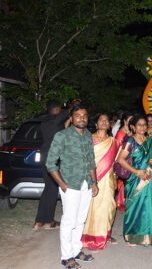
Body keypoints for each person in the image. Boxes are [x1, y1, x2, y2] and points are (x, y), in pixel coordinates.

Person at [46, 104, 99, 269]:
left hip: (86, 184)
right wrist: (62, 184)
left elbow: (91, 161)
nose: (82, 118)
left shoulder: (88, 135)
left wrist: (94, 182)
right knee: (69, 221)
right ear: (72, 117)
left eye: (84, 115)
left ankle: (76, 250)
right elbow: (50, 163)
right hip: (70, 184)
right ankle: (66, 256)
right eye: (78, 115)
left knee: (80, 220)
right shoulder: (62, 136)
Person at [116, 115, 152, 247]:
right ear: (133, 127)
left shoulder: (149, 141)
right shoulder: (130, 141)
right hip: (134, 178)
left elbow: (148, 159)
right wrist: (137, 172)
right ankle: (132, 235)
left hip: (147, 177)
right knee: (134, 208)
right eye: (139, 125)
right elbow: (120, 159)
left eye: (144, 124)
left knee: (146, 207)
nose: (142, 127)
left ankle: (146, 235)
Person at [81, 114, 118, 250]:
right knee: (91, 207)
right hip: (91, 178)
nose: (103, 122)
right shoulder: (88, 139)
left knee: (108, 207)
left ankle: (104, 234)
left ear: (110, 125)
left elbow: (113, 163)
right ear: (96, 124)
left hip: (107, 179)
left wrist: (114, 178)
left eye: (106, 120)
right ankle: (89, 237)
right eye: (100, 120)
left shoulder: (113, 142)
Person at [34, 99, 69, 230]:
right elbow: (68, 112)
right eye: (59, 109)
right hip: (53, 159)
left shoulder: (44, 122)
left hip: (44, 157)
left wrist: (67, 121)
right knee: (52, 189)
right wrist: (73, 106)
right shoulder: (57, 119)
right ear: (56, 110)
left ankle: (39, 221)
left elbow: (59, 130)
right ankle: (48, 221)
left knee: (48, 188)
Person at [114, 112, 133, 212]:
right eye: (130, 120)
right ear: (125, 121)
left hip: (129, 160)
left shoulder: (130, 132)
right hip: (122, 161)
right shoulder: (121, 133)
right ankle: (122, 202)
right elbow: (116, 149)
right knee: (123, 182)